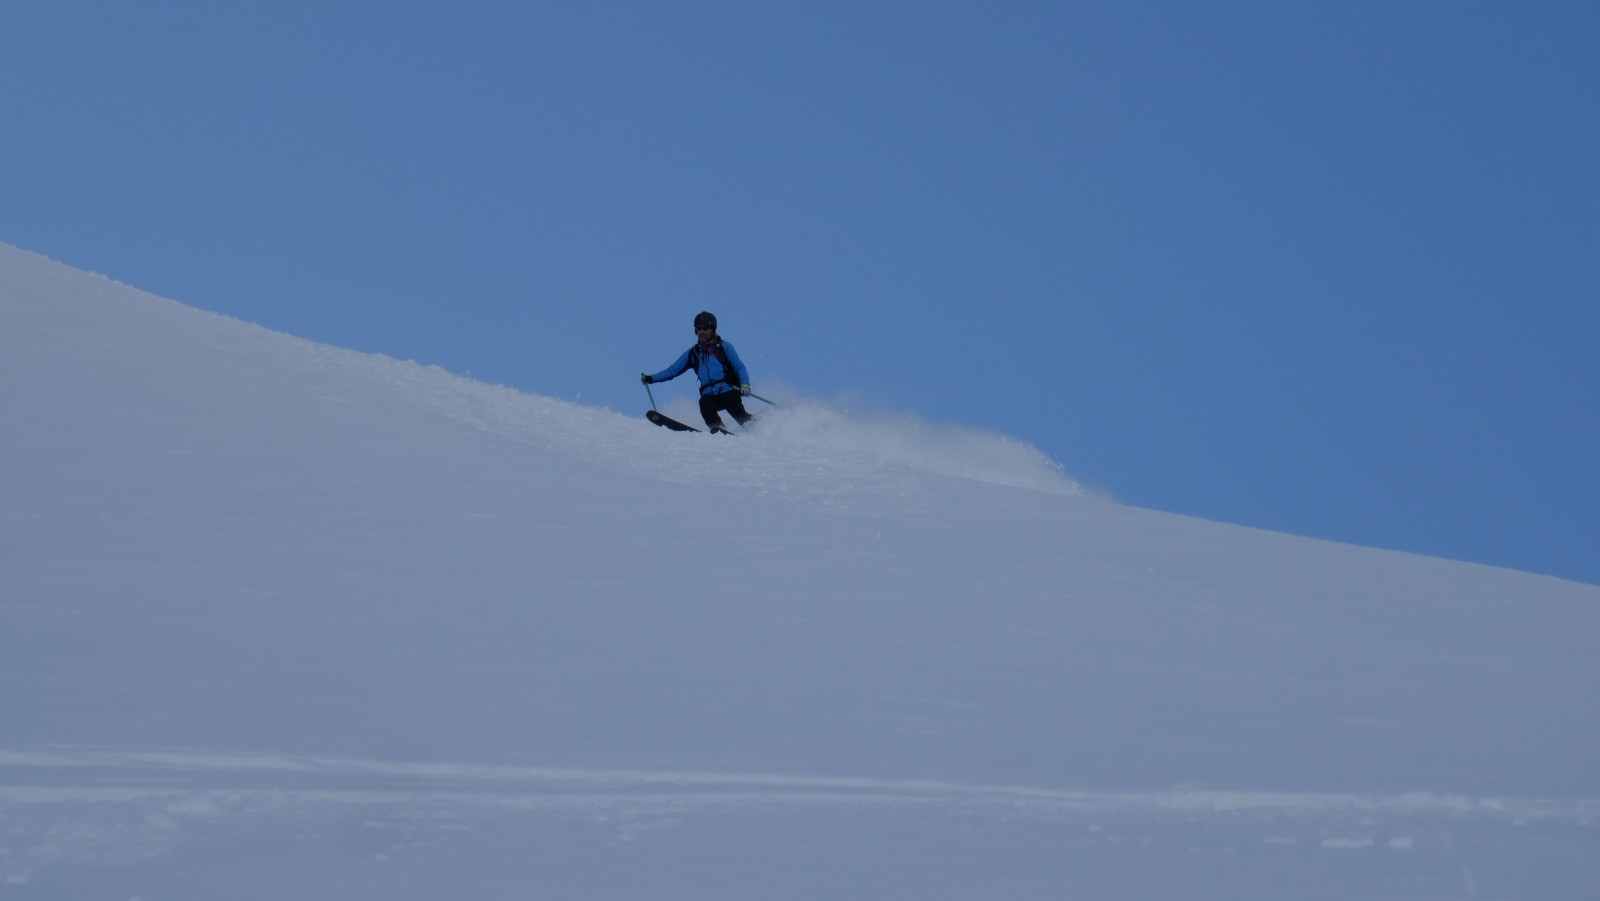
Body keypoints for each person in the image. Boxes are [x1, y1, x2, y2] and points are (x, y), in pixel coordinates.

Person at [641, 311, 755, 433]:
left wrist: (745, 383)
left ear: (713, 329)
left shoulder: (724, 347)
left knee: (735, 409)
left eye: (705, 328)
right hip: (709, 395)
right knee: (704, 403)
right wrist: (651, 378)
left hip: (728, 390)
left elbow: (739, 367)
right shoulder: (694, 353)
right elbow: (672, 371)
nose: (701, 332)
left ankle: (757, 427)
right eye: (698, 329)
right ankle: (720, 431)